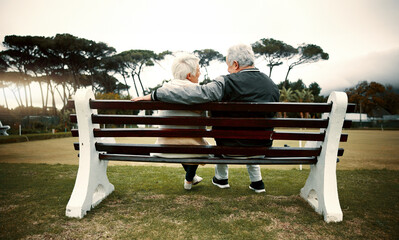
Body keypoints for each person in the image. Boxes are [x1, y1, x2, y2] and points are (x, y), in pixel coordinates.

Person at [134, 44, 280, 193]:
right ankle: (257, 182)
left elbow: (196, 93)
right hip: (261, 149)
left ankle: (221, 179)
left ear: (235, 64)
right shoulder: (272, 86)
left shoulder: (226, 82)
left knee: (227, 133)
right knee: (249, 134)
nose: (228, 70)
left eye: (228, 66)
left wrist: (155, 95)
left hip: (229, 149)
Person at [135, 53, 208, 190]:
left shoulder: (164, 90)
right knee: (195, 141)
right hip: (193, 147)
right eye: (198, 70)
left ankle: (191, 177)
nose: (200, 73)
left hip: (165, 146)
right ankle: (189, 179)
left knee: (179, 138)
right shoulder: (198, 92)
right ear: (189, 76)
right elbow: (202, 126)